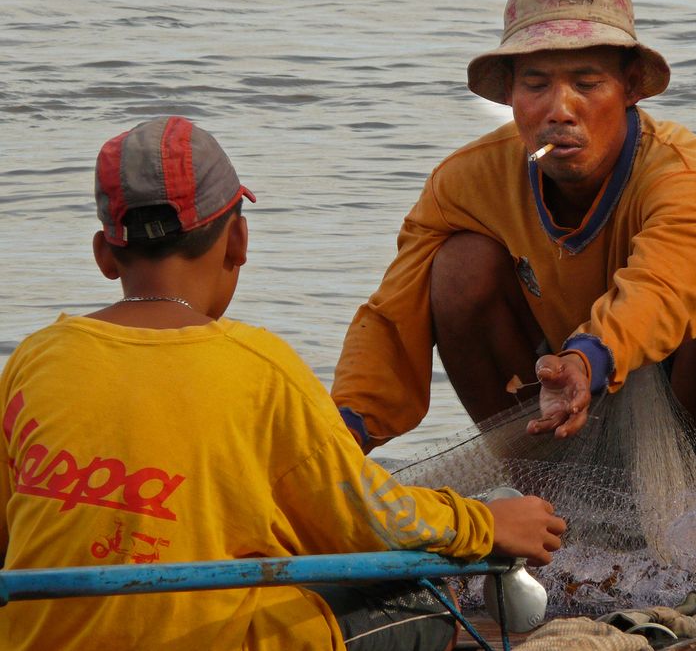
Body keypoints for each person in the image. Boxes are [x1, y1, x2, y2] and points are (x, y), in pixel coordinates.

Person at [0, 116, 565, 651]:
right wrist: (484, 523)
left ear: (105, 255)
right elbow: (373, 522)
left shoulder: (36, 359)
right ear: (238, 241)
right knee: (428, 604)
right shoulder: (259, 366)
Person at [333, 0, 696, 468]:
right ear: (510, 95)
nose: (559, 111)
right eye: (536, 85)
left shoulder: (684, 177)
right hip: (565, 392)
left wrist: (588, 357)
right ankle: (542, 491)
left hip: (693, 401)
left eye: (587, 83)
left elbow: (658, 290)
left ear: (630, 88)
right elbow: (393, 315)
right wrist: (346, 427)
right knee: (458, 265)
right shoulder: (466, 181)